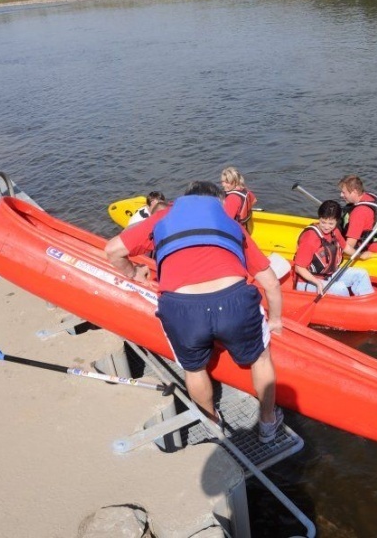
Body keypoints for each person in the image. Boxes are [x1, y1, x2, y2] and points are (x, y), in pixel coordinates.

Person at [105, 181, 284, 443]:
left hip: (182, 308)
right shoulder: (230, 224)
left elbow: (112, 251)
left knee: (194, 369)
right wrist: (276, 321)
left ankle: (212, 424)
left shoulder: (162, 218)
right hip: (233, 301)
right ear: (218, 203)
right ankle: (268, 423)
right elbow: (271, 283)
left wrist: (134, 273)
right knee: (261, 358)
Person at [293, 200, 374, 297]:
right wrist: (317, 283)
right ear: (319, 218)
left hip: (329, 274)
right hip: (308, 281)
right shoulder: (310, 238)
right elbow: (299, 268)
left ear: (337, 221)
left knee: (361, 274)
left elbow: (345, 247)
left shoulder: (335, 231)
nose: (326, 227)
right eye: (323, 222)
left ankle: (367, 301)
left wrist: (360, 255)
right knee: (341, 288)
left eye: (331, 223)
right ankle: (348, 305)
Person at [337, 175, 377, 258]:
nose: (341, 195)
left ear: (354, 191)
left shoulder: (359, 213)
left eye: (344, 192)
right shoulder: (370, 196)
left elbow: (349, 246)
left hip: (367, 251)